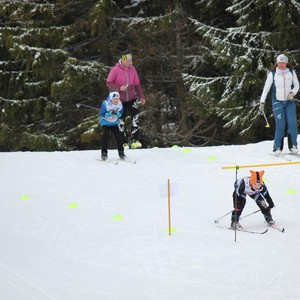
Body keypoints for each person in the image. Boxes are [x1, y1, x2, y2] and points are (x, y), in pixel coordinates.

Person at [260, 53, 299, 155]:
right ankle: (277, 147)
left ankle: (293, 146)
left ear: (286, 63)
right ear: (277, 63)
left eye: (283, 62)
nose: (281, 65)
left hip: (289, 102)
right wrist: (262, 101)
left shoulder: (291, 72)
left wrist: (292, 93)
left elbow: (297, 86)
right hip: (277, 102)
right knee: (280, 125)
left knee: (292, 123)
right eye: (279, 63)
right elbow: (266, 89)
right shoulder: (272, 74)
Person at [106, 50, 145, 150]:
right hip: (119, 100)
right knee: (120, 121)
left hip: (132, 98)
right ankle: (123, 142)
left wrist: (141, 96)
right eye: (127, 60)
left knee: (135, 117)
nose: (129, 62)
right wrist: (119, 88)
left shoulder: (133, 69)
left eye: (131, 60)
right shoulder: (115, 69)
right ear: (122, 60)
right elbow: (109, 83)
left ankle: (134, 140)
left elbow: (137, 84)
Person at [99, 91, 125, 160]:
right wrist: (109, 114)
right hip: (106, 123)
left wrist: (117, 114)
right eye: (114, 99)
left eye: (117, 98)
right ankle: (104, 153)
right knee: (105, 136)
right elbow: (102, 114)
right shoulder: (105, 104)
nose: (116, 100)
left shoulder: (120, 104)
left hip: (114, 123)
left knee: (119, 136)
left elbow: (121, 113)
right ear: (110, 99)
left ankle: (121, 152)